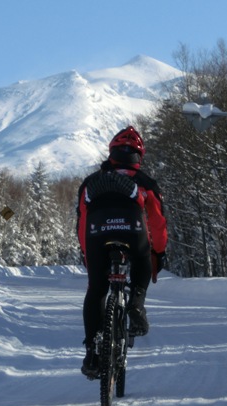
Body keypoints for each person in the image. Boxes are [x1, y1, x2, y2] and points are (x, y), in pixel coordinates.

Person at [76, 126, 167, 378]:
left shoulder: (92, 182)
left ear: (111, 152)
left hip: (97, 234)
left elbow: (82, 221)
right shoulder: (146, 182)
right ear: (140, 156)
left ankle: (93, 354)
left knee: (96, 290)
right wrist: (157, 253)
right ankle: (136, 302)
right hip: (133, 231)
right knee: (141, 258)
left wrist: (87, 254)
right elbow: (158, 223)